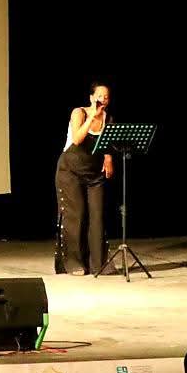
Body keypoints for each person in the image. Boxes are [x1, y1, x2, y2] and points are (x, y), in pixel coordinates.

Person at [55, 83, 115, 275]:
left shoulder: (108, 118)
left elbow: (107, 143)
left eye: (106, 97)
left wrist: (108, 157)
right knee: (77, 215)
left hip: (94, 173)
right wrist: (91, 117)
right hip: (70, 170)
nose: (103, 100)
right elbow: (77, 139)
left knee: (97, 217)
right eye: (99, 96)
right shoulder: (79, 113)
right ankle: (74, 262)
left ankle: (99, 263)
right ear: (91, 98)